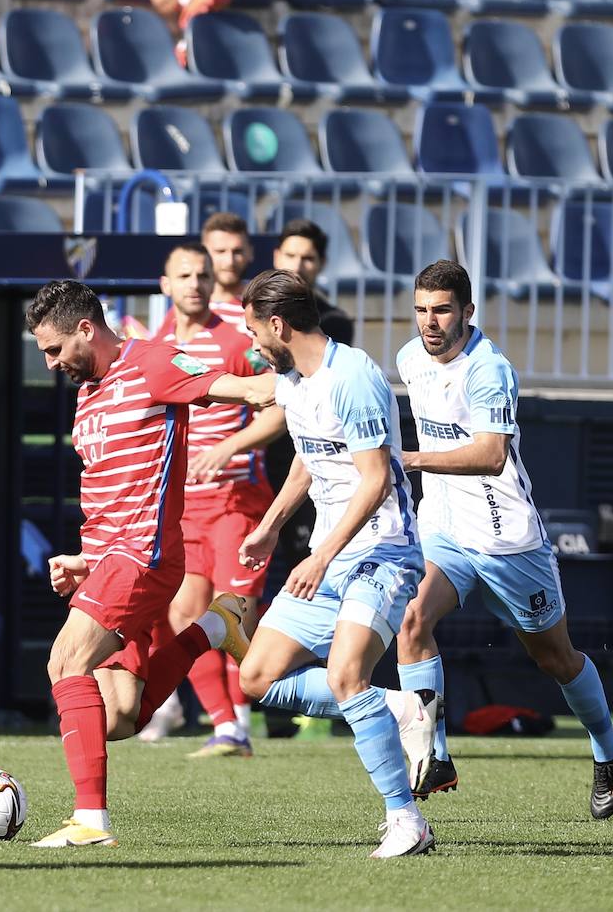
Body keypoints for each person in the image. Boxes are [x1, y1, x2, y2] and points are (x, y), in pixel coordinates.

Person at [24, 279, 274, 848]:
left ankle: (89, 821)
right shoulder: (90, 390)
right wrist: (85, 561)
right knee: (119, 719)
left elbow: (244, 388)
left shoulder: (154, 362)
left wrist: (299, 377)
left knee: (65, 663)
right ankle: (213, 627)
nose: (49, 362)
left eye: (55, 349)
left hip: (141, 557)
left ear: (87, 328)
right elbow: (112, 494)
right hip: (112, 559)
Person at [392, 260, 613, 819]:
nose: (430, 322)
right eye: (422, 310)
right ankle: (435, 756)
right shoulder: (408, 358)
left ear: (467, 312)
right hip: (444, 530)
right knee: (412, 620)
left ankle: (608, 747)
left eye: (443, 310)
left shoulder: (488, 369)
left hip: (506, 539)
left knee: (555, 659)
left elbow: (492, 454)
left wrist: (410, 460)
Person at [230, 269, 437, 859]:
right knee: (255, 677)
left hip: (383, 551)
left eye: (253, 329)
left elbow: (374, 481)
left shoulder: (355, 378)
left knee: (347, 675)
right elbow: (309, 462)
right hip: (330, 553)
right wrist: (270, 528)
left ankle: (406, 819)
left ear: (278, 324)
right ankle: (398, 704)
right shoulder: (292, 380)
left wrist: (320, 556)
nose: (251, 343)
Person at [142, 243, 277, 758]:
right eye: (185, 275)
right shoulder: (154, 347)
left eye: (202, 274)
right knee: (184, 619)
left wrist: (230, 445)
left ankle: (340, 702)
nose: (196, 283)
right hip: (184, 509)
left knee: (235, 619)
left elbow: (280, 406)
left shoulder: (236, 340)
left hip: (235, 501)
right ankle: (227, 727)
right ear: (166, 285)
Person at [273, 218, 355, 347]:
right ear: (276, 257)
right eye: (290, 256)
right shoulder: (252, 311)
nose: (297, 267)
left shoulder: (335, 322)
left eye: (307, 259)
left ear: (322, 263)